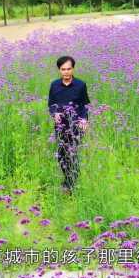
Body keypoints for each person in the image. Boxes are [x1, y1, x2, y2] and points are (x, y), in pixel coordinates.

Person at [47, 55, 90, 195]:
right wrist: (55, 113)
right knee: (61, 155)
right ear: (59, 70)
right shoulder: (54, 85)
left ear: (73, 69)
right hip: (61, 126)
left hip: (76, 125)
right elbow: (51, 104)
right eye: (63, 69)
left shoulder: (80, 85)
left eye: (69, 69)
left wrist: (84, 119)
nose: (66, 72)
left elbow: (85, 105)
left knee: (73, 153)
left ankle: (70, 183)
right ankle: (68, 179)